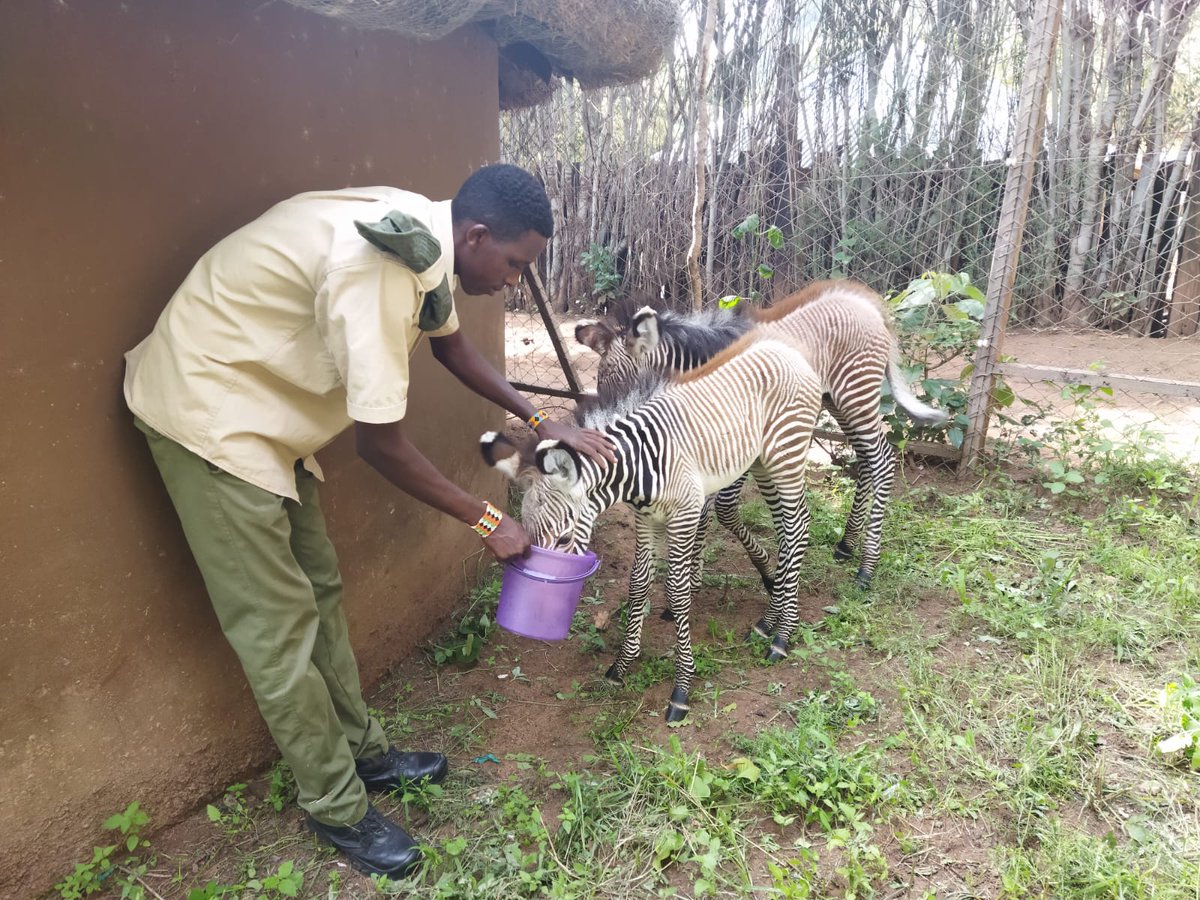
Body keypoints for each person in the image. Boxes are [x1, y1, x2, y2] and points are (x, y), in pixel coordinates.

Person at [123, 164, 613, 878]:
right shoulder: (381, 270)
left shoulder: (427, 237)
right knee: (277, 629)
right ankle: (336, 806)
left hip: (265, 415)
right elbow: (379, 445)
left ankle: (366, 754)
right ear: (476, 236)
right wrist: (487, 522)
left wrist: (541, 418)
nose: (514, 282)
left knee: (318, 588)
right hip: (209, 416)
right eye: (514, 265)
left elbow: (451, 346)